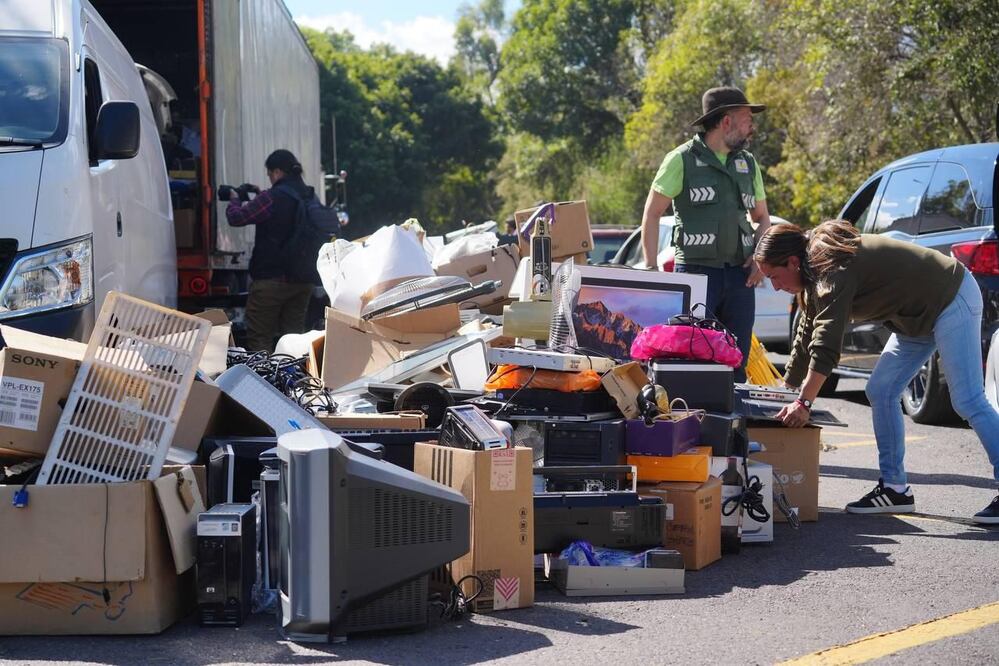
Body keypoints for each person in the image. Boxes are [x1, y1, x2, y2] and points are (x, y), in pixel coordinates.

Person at [754, 220, 999, 524]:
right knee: (881, 390)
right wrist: (786, 389)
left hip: (950, 297)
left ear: (792, 261)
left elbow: (827, 341)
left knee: (968, 399)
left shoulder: (829, 268)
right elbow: (808, 331)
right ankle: (895, 488)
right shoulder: (811, 269)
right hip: (915, 318)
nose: (775, 287)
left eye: (774, 277)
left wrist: (803, 403)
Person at [640, 86, 772, 382]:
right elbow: (652, 212)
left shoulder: (748, 164)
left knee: (736, 360)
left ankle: (733, 424)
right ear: (726, 121)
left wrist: (760, 258)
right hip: (696, 276)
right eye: (747, 118)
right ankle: (694, 424)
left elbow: (762, 217)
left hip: (741, 277)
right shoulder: (681, 159)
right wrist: (650, 268)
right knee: (694, 359)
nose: (752, 126)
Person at [225, 149, 316, 353]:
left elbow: (237, 217)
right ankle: (296, 382)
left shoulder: (272, 197)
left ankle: (264, 383)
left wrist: (234, 198)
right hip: (303, 281)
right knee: (293, 340)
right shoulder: (309, 196)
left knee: (260, 339)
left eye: (269, 174)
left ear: (276, 172)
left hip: (271, 280)